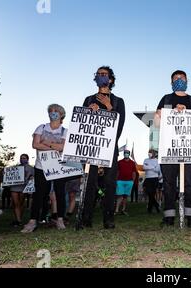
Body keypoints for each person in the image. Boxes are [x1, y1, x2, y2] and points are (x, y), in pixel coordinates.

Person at [154, 70, 191, 227]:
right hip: (169, 149)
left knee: (188, 183)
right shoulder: (166, 99)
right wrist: (163, 114)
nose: (179, 80)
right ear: (171, 82)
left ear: (187, 81)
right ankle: (169, 217)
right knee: (168, 183)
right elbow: (157, 124)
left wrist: (185, 112)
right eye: (176, 78)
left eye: (182, 78)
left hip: (187, 149)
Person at [81, 66, 125, 229]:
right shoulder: (88, 100)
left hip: (109, 147)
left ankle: (108, 218)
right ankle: (86, 217)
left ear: (111, 79)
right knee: (90, 182)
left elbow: (118, 126)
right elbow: (82, 125)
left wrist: (108, 107)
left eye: (104, 74)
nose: (101, 76)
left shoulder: (118, 101)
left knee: (109, 183)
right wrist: (89, 112)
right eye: (98, 74)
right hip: (91, 147)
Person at [22, 104, 69, 233]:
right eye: (51, 111)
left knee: (59, 193)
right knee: (39, 194)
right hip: (41, 166)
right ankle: (33, 220)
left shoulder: (65, 131)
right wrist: (54, 145)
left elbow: (63, 147)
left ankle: (59, 219)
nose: (53, 113)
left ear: (61, 115)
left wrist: (45, 143)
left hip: (58, 167)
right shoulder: (41, 127)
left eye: (56, 111)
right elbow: (35, 144)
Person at [9, 154, 34, 227]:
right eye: (21, 158)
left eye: (24, 158)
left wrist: (31, 178)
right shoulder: (16, 167)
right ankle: (18, 220)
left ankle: (19, 219)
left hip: (23, 187)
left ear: (27, 159)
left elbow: (33, 177)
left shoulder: (31, 168)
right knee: (16, 203)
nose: (22, 159)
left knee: (21, 203)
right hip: (15, 187)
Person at [116, 150, 136, 216]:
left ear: (129, 154)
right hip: (120, 181)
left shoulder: (132, 163)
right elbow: (117, 171)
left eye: (127, 153)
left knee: (125, 196)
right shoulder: (119, 162)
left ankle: (123, 210)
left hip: (129, 181)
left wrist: (133, 180)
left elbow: (134, 172)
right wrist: (116, 179)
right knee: (120, 196)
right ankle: (116, 210)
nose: (126, 154)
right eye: (125, 153)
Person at [143, 149, 161, 214]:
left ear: (154, 154)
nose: (149, 153)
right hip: (148, 178)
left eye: (151, 152)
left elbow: (158, 170)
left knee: (152, 194)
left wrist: (149, 167)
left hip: (154, 178)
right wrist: (153, 167)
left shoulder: (157, 161)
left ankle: (149, 209)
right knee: (149, 193)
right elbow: (144, 167)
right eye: (149, 152)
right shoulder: (146, 160)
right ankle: (156, 206)